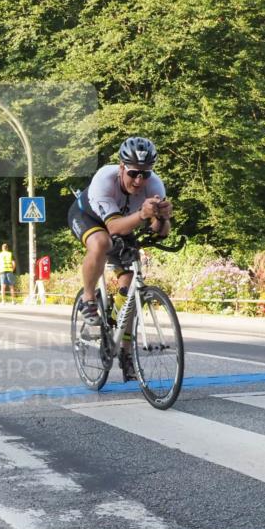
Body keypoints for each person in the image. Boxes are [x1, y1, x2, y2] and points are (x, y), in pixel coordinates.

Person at [67, 136, 171, 381]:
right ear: (122, 167)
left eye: (145, 175)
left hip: (125, 224)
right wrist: (144, 214)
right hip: (88, 217)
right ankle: (89, 298)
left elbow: (161, 231)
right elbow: (113, 227)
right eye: (134, 173)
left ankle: (125, 353)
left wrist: (163, 218)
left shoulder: (155, 186)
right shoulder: (105, 179)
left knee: (130, 290)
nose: (139, 180)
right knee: (102, 242)